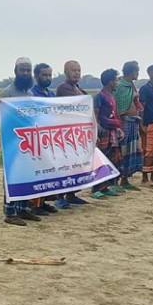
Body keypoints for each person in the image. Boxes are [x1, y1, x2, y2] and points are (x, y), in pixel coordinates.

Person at [0, 58, 40, 225]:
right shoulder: (8, 93)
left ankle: (22, 209)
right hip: (13, 142)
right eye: (23, 70)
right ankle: (10, 213)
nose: (26, 73)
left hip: (28, 142)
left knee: (26, 175)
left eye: (28, 70)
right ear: (16, 71)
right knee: (12, 176)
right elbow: (0, 117)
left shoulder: (30, 94)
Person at [53, 60, 91, 208]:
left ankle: (72, 194)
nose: (76, 73)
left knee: (75, 166)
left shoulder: (79, 88)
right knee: (64, 167)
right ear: (66, 72)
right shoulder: (64, 88)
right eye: (73, 70)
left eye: (78, 70)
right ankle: (60, 196)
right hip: (65, 134)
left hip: (78, 135)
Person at [27, 63, 60, 214]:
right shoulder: (31, 94)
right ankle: (34, 204)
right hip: (35, 139)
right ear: (36, 76)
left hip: (49, 139)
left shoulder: (51, 95)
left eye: (49, 75)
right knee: (37, 172)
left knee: (48, 171)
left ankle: (44, 202)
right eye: (44, 75)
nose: (47, 78)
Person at [91, 69, 124, 199]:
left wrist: (118, 128)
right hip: (102, 131)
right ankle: (96, 189)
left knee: (112, 159)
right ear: (110, 82)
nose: (117, 83)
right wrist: (96, 133)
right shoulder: (99, 96)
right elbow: (95, 115)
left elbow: (113, 115)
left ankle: (105, 187)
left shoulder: (111, 97)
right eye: (116, 80)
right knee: (101, 160)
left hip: (112, 132)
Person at [113, 61, 143, 191]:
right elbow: (117, 105)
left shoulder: (132, 85)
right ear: (131, 72)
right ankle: (115, 180)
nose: (137, 73)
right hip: (124, 122)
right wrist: (118, 124)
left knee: (131, 151)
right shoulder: (120, 86)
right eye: (137, 71)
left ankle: (125, 179)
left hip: (133, 122)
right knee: (122, 151)